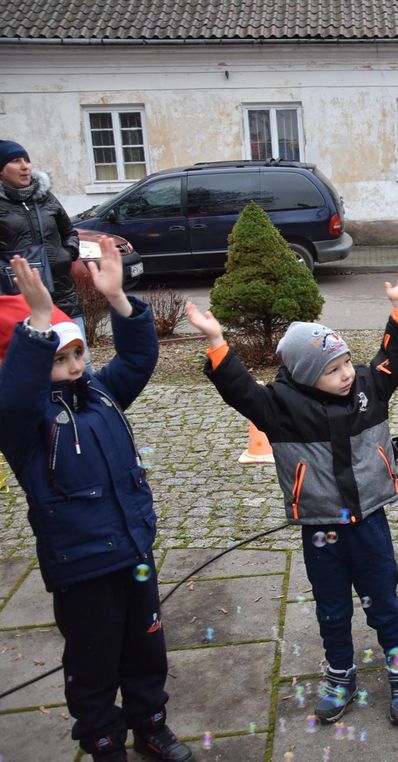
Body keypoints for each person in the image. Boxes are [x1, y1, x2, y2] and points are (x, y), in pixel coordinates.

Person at [186, 266, 398, 727]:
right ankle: (340, 674)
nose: (345, 374)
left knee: (384, 600)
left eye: (346, 363)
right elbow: (237, 389)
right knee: (331, 608)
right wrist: (216, 340)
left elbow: (395, 354)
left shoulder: (369, 389)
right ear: (304, 374)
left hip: (369, 522)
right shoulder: (279, 407)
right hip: (320, 527)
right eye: (332, 370)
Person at [0, 242, 193, 762]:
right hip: (82, 567)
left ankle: (151, 726)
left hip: (134, 551)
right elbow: (13, 398)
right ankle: (104, 741)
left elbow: (136, 357)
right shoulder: (23, 425)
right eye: (57, 358)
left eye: (77, 353)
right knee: (93, 662)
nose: (73, 366)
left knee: (147, 649)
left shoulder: (102, 393)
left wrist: (119, 301)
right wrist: (38, 326)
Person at [0, 140, 86, 347]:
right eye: (16, 161)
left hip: (63, 294)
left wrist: (67, 253)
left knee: (80, 362)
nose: (25, 166)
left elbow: (69, 231)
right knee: (35, 364)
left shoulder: (46, 198)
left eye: (27, 160)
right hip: (19, 299)